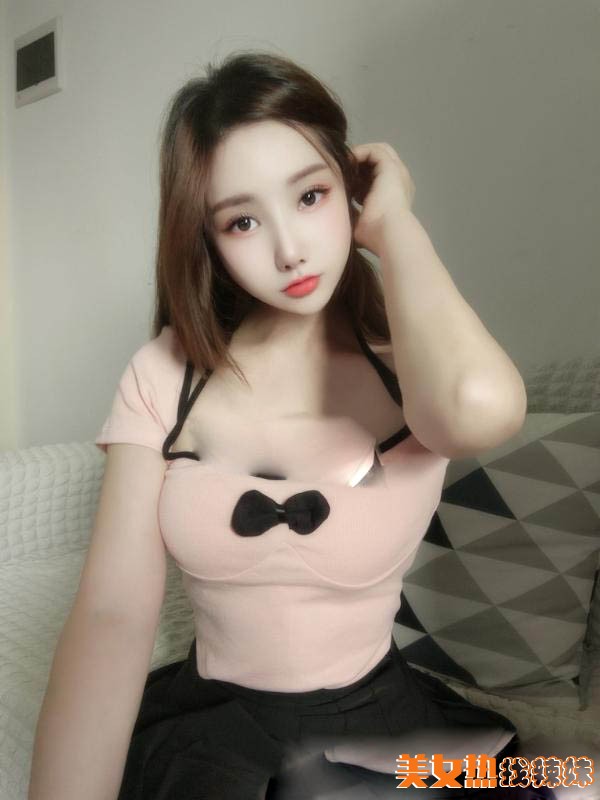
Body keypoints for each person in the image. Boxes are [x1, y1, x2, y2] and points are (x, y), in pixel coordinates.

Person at [28, 51, 558, 800]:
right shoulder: (166, 373)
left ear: (349, 187)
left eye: (310, 195)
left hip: (379, 730)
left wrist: (395, 225)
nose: (289, 249)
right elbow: (112, 615)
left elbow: (481, 408)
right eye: (242, 220)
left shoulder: (413, 372)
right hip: (212, 729)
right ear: (207, 239)